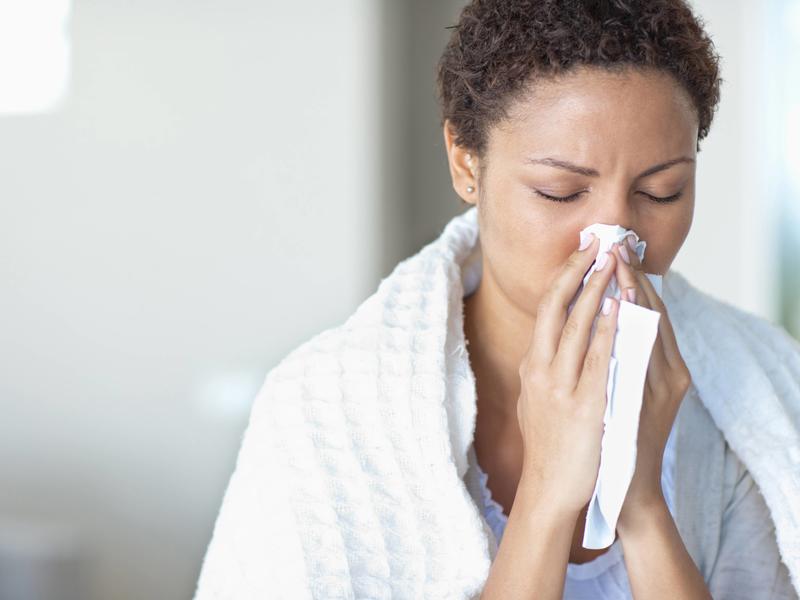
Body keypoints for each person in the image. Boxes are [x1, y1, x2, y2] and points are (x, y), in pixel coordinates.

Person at [193, 1, 800, 598]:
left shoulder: (754, 395)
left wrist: (640, 505)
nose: (615, 241)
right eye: (560, 192)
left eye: (662, 191)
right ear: (466, 163)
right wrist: (546, 494)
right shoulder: (320, 411)